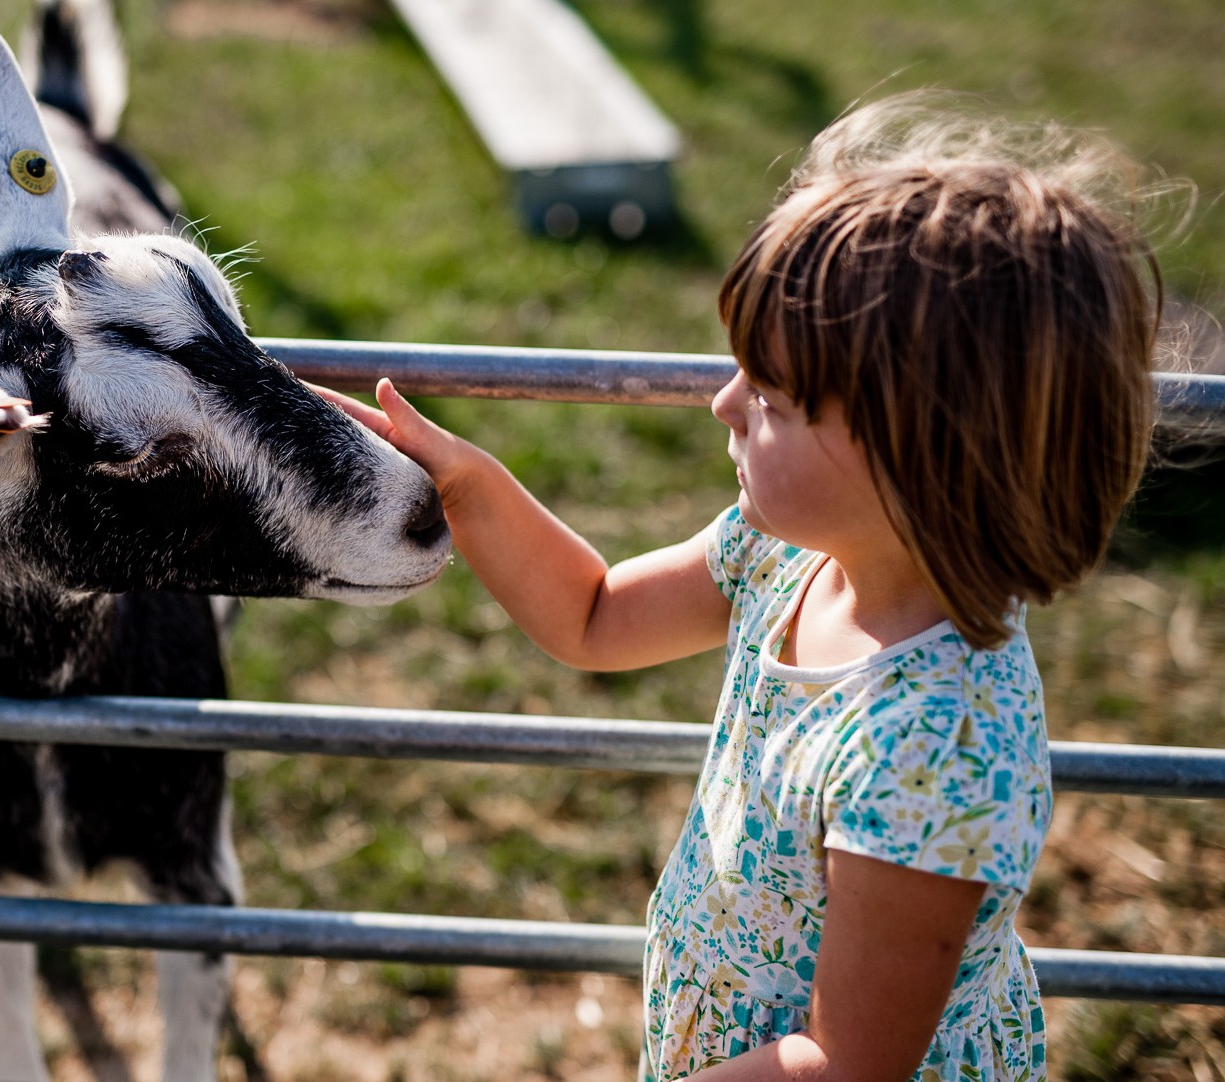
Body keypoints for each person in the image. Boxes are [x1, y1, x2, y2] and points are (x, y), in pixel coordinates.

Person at [318, 96, 1165, 1081]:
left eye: (768, 395)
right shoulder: (786, 556)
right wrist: (470, 484)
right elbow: (594, 615)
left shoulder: (938, 746)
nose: (722, 402)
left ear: (920, 453)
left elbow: (844, 1065)